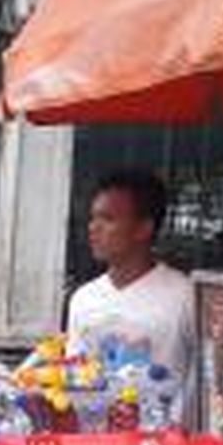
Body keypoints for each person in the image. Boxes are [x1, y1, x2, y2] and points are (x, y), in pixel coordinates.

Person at [67, 169, 194, 401]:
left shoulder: (185, 296)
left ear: (143, 229)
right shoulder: (84, 298)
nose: (93, 228)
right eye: (93, 218)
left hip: (163, 433)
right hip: (95, 433)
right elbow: (75, 376)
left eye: (108, 219)